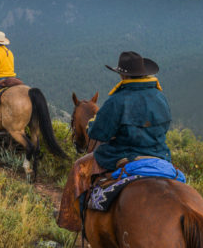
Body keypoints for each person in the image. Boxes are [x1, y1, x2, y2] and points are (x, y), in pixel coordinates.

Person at [58, 51, 173, 231]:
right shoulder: (160, 97)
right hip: (159, 155)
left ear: (123, 74)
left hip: (124, 155)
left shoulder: (118, 99)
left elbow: (99, 133)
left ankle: (75, 222)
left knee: (79, 168)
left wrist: (91, 126)